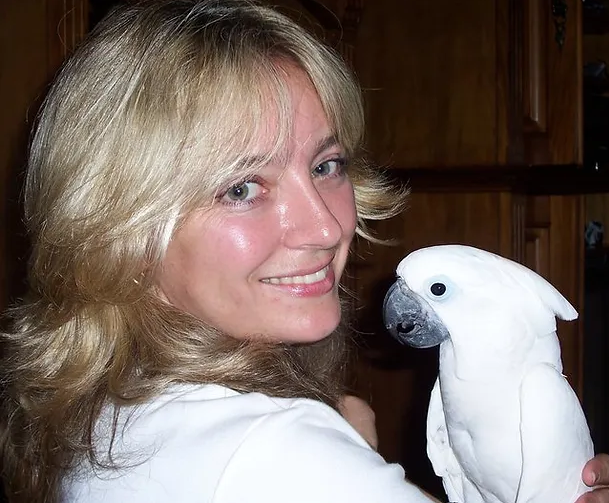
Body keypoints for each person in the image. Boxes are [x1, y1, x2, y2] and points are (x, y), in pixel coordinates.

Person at [0, 1, 607, 502]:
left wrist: (353, 455)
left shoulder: (103, 411)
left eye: (326, 165)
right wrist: (337, 461)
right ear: (120, 229)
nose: (324, 227)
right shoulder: (278, 456)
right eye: (241, 189)